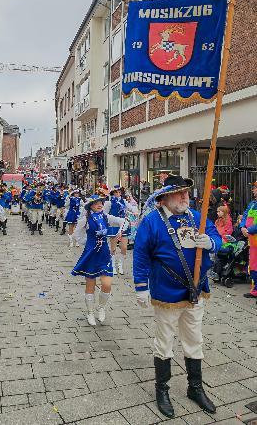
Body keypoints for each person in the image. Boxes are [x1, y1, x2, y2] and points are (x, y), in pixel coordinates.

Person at [133, 175, 222, 418]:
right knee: (164, 342)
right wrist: (141, 285)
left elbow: (218, 239)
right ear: (165, 198)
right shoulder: (152, 221)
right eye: (179, 193)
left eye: (187, 193)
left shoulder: (196, 217)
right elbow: (141, 254)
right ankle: (162, 389)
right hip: (167, 292)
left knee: (194, 339)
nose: (186, 197)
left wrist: (211, 243)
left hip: (196, 290)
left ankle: (195, 388)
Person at [72, 194, 128, 326]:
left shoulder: (106, 216)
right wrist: (88, 243)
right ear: (90, 205)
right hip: (91, 253)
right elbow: (77, 235)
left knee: (107, 283)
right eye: (96, 203)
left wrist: (120, 232)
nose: (100, 204)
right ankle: (90, 312)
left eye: (101, 202)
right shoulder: (85, 219)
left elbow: (123, 221)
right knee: (90, 284)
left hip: (104, 253)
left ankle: (101, 307)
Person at [104, 185, 133, 275]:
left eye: (119, 191)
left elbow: (132, 208)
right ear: (113, 193)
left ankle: (120, 265)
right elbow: (105, 214)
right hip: (113, 225)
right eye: (116, 192)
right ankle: (112, 265)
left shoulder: (124, 201)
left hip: (123, 225)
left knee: (124, 247)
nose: (118, 193)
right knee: (113, 248)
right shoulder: (109, 202)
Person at [240, 181, 257, 299]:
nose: (253, 190)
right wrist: (242, 227)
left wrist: (249, 230)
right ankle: (255, 289)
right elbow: (245, 215)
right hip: (252, 241)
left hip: (253, 236)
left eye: (255, 188)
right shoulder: (252, 203)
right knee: (253, 265)